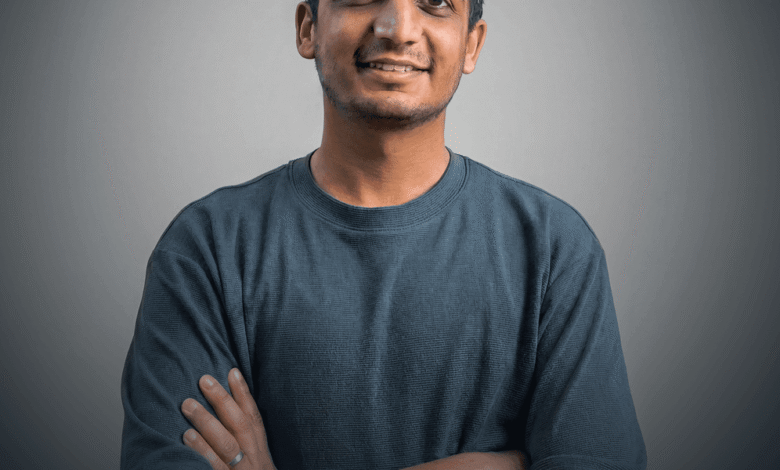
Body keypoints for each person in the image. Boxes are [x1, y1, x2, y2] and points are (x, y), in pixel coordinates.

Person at [120, 0, 647, 469]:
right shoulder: (207, 248)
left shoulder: (554, 249)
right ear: (308, 28)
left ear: (471, 43)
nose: (398, 28)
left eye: (435, 1)